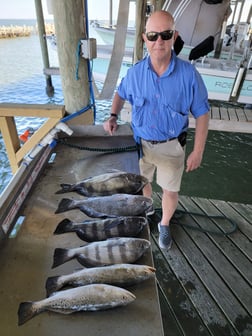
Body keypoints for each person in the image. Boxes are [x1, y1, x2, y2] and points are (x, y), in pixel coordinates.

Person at [103, 10, 209, 250]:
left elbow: (202, 113)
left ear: (174, 36)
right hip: (140, 145)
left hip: (172, 147)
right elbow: (120, 93)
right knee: (142, 184)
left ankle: (164, 223)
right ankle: (148, 210)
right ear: (144, 38)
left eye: (165, 34)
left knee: (170, 191)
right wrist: (112, 115)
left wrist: (198, 151)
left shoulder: (189, 75)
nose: (158, 41)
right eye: (153, 35)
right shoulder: (134, 73)